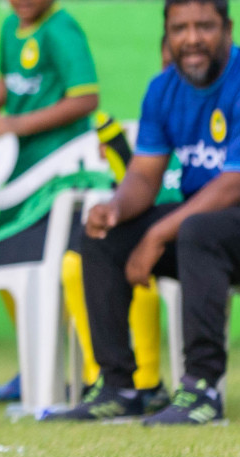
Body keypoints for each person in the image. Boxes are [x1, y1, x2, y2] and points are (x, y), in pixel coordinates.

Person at [56, 0, 240, 425]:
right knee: (101, 234)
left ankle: (202, 391)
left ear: (228, 28)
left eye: (205, 26)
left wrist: (156, 235)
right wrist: (115, 207)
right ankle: (122, 387)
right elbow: (144, 176)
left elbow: (236, 188)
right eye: (180, 28)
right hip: (212, 232)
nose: (192, 39)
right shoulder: (163, 88)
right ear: (167, 34)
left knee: (196, 229)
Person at [0, 0, 101, 403]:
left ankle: (92, 369)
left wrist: (18, 127)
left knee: (66, 270)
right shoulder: (9, 29)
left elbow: (85, 99)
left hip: (60, 181)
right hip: (18, 180)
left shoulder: (62, 30)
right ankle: (34, 360)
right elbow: (8, 81)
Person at [53, 38, 177, 419]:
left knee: (139, 262)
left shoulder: (230, 105)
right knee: (84, 254)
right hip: (152, 222)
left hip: (198, 227)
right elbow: (140, 181)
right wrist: (118, 188)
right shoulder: (159, 109)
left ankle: (149, 383)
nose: (181, 69)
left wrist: (154, 235)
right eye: (171, 60)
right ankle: (104, 381)